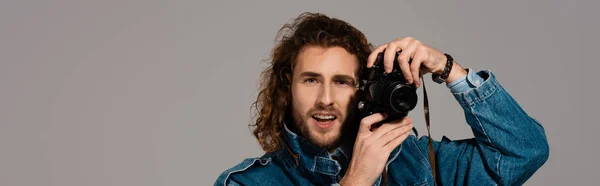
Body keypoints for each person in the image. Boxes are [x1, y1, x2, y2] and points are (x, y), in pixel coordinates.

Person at [214, 12, 549, 186]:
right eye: (311, 80)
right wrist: (357, 180)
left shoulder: (416, 160)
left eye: (342, 82)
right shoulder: (245, 182)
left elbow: (523, 150)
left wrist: (448, 68)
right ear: (289, 86)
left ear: (361, 90)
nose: (326, 99)